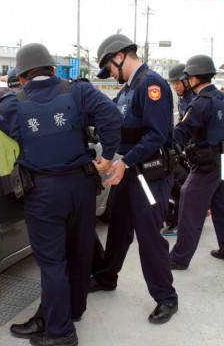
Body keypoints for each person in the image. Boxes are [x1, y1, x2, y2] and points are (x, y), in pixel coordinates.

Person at [0, 43, 121, 346]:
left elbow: (9, 127)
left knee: (52, 263)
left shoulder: (13, 103)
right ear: (53, 69)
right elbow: (112, 116)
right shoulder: (78, 91)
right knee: (79, 252)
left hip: (44, 191)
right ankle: (73, 310)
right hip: (81, 186)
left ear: (22, 78)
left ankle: (60, 332)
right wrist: (109, 155)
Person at [88, 33, 179, 325]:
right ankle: (106, 277)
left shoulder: (151, 84)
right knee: (119, 228)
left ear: (120, 56)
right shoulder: (128, 89)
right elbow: (112, 121)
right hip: (127, 172)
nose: (110, 74)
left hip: (148, 175)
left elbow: (157, 134)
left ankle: (166, 298)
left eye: (110, 67)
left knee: (149, 236)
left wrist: (125, 161)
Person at [168, 55, 224, 270]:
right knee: (222, 202)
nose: (185, 82)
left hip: (208, 162)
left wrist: (166, 146)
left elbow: (183, 130)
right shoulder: (222, 97)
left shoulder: (200, 103)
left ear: (195, 78)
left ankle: (179, 258)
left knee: (189, 202)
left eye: (187, 78)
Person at [162, 63, 194, 237]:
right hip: (183, 149)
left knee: (181, 187)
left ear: (188, 81)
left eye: (178, 83)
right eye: (172, 83)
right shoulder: (182, 99)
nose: (175, 87)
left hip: (196, 152)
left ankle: (182, 223)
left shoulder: (195, 99)